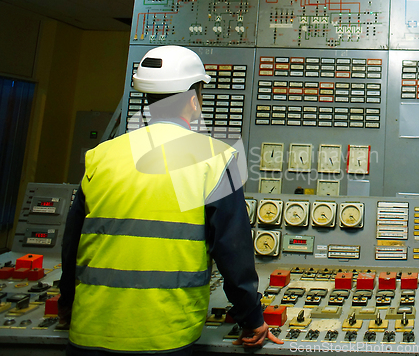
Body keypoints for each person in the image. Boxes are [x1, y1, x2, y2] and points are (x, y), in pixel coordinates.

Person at [58, 45, 283, 355]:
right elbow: (232, 251)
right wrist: (251, 318)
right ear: (193, 100)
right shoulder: (215, 159)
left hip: (90, 327)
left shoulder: (100, 156)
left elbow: (72, 245)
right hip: (167, 332)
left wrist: (66, 304)